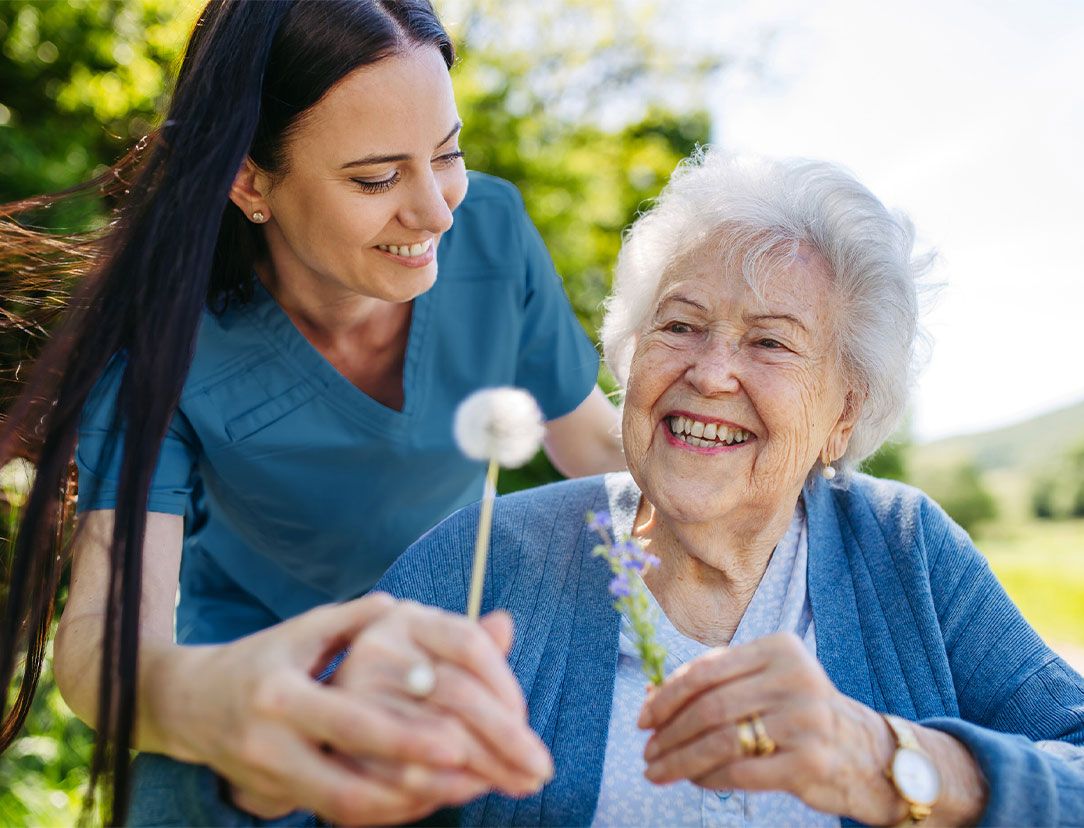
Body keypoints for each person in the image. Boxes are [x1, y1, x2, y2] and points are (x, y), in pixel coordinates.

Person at [130, 149, 1084, 825]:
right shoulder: (493, 556)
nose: (710, 372)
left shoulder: (904, 548)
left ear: (845, 411)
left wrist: (891, 765)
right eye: (679, 326)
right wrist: (262, 778)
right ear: (627, 359)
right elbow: (242, 799)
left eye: (769, 342)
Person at [0, 0, 625, 823]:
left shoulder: (494, 237)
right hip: (244, 690)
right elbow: (104, 648)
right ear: (250, 181)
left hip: (452, 678)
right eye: (375, 178)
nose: (436, 211)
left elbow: (599, 450)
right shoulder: (163, 344)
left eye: (447, 154)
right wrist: (229, 701)